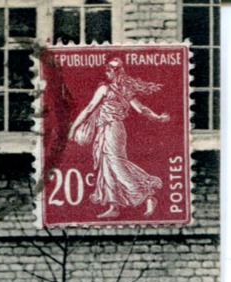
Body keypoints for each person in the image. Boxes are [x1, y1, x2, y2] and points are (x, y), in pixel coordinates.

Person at [68, 59, 170, 220]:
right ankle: (113, 205)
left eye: (109, 69)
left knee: (116, 163)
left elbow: (89, 109)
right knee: (106, 165)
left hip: (112, 129)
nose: (106, 72)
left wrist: (73, 128)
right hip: (107, 129)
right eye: (106, 69)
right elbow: (141, 109)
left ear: (117, 71)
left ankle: (147, 196)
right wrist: (157, 117)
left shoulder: (107, 89)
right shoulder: (121, 90)